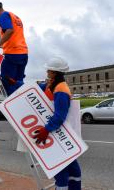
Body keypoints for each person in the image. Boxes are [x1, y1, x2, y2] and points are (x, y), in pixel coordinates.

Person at [33, 56, 81, 190]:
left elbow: (60, 116)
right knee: (73, 169)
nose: (47, 72)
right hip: (60, 133)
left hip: (57, 133)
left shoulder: (60, 90)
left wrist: (46, 129)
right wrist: (18, 83)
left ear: (54, 72)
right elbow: (42, 88)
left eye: (48, 70)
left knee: (60, 171)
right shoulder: (54, 84)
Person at [0, 1, 28, 96]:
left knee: (7, 81)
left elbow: (9, 31)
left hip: (12, 53)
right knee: (18, 82)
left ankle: (13, 103)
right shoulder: (14, 16)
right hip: (23, 53)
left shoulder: (3, 15)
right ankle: (22, 102)